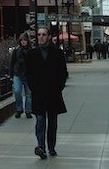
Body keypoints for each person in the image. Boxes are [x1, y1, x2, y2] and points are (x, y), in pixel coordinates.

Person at [25, 27, 68, 159]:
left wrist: (59, 87)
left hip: (53, 92)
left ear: (49, 36)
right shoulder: (31, 54)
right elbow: (28, 74)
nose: (41, 37)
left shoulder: (58, 53)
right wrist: (33, 87)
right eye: (39, 35)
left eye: (44, 34)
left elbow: (63, 72)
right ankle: (41, 146)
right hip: (39, 93)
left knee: (53, 121)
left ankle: (51, 146)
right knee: (40, 120)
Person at [10, 32, 32, 118]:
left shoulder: (30, 50)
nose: (23, 42)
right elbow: (12, 62)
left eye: (25, 40)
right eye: (22, 40)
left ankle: (28, 110)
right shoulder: (16, 50)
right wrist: (11, 74)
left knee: (29, 94)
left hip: (28, 74)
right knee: (17, 91)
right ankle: (19, 109)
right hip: (17, 73)